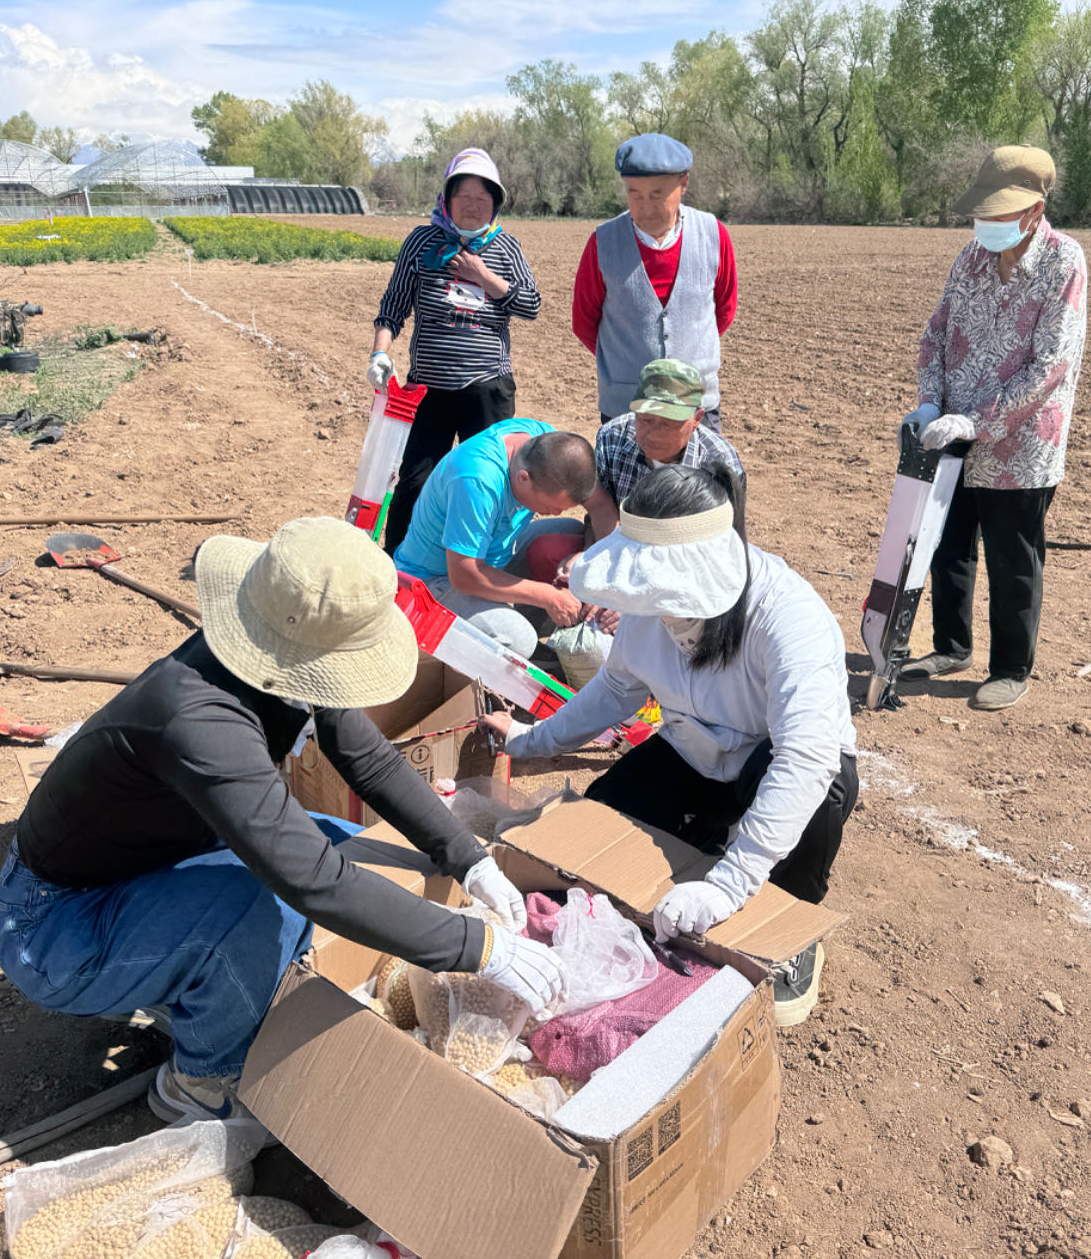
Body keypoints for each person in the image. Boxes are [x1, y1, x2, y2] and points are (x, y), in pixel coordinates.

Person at [0, 518, 565, 1128]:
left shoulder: (281, 647)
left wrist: (467, 858)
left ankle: (209, 984)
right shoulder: (195, 719)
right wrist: (479, 948)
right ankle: (198, 1082)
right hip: (54, 927)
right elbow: (310, 881)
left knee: (347, 844)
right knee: (262, 901)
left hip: (153, 862)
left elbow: (366, 757)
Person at [480, 464, 858, 1026]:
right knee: (599, 830)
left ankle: (791, 918)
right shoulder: (647, 614)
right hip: (692, 750)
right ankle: (709, 837)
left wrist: (728, 887)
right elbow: (613, 690)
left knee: (821, 792)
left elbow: (805, 758)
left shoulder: (789, 620)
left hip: (772, 763)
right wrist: (531, 741)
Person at [902, 145, 1087, 711]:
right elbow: (935, 333)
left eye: (1002, 213)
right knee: (948, 543)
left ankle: (1011, 666)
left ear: (1036, 209)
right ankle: (951, 647)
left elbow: (1049, 366)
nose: (989, 224)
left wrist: (978, 421)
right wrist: (931, 403)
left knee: (1013, 557)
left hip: (1021, 446)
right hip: (951, 436)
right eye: (984, 213)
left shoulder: (1065, 263)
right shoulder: (971, 258)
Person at [368, 148, 542, 556]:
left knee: (487, 480)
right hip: (428, 388)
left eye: (483, 199)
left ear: (495, 205)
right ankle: (401, 565)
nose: (473, 206)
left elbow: (530, 306)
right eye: (464, 196)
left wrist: (483, 276)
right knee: (413, 481)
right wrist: (379, 353)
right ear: (447, 199)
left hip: (487, 389)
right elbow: (393, 305)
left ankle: (483, 565)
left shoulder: (507, 248)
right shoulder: (422, 242)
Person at [525, 358, 748, 638]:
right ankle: (548, 636)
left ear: (697, 419)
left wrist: (635, 603)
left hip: (680, 578)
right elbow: (598, 515)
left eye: (667, 424)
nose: (651, 434)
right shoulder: (613, 436)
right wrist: (594, 564)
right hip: (620, 550)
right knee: (547, 551)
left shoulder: (719, 463)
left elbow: (714, 561)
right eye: (645, 420)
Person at [392, 422, 602, 660]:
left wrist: (587, 553)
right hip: (434, 581)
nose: (556, 512)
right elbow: (464, 575)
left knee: (569, 535)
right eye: (550, 507)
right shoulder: (476, 480)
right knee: (517, 640)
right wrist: (548, 595)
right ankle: (522, 648)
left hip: (490, 557)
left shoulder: (544, 445)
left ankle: (534, 636)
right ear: (523, 478)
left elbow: (601, 506)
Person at [572, 133, 738, 429]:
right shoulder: (603, 243)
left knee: (697, 478)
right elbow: (584, 321)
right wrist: (624, 363)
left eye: (657, 194)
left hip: (695, 408)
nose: (645, 206)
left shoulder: (714, 235)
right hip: (626, 410)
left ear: (683, 183)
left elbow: (723, 311)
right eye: (634, 194)